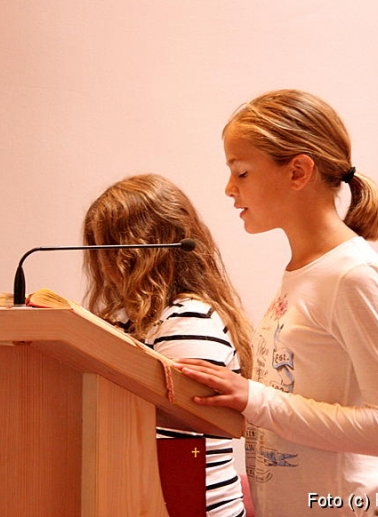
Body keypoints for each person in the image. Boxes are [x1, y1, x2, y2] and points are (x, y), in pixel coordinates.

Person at [174, 89, 378, 515]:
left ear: (299, 172)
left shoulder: (353, 274)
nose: (229, 189)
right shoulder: (305, 270)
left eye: (242, 172)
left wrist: (253, 399)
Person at [83, 173, 252, 517]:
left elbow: (179, 434)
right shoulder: (124, 317)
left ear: (137, 249)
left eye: (105, 247)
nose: (100, 262)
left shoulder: (187, 320)